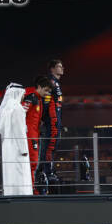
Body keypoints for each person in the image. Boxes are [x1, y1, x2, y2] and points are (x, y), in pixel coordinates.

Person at [0, 84, 31, 195]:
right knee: (19, 174)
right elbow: (19, 131)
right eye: (23, 94)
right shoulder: (17, 109)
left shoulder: (4, 110)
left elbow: (0, 130)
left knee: (10, 174)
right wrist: (24, 150)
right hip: (17, 149)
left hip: (7, 148)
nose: (23, 97)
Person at [22, 76, 52, 188]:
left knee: (34, 162)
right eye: (46, 90)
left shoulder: (38, 99)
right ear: (39, 87)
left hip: (34, 135)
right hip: (29, 135)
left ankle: (31, 187)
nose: (48, 93)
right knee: (33, 161)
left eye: (49, 91)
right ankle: (31, 188)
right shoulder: (31, 98)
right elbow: (20, 114)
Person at [38, 58, 63, 191]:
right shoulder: (50, 81)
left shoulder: (57, 82)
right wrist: (44, 118)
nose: (62, 68)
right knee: (50, 145)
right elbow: (46, 100)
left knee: (53, 145)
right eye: (59, 66)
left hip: (56, 119)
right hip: (51, 120)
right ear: (52, 69)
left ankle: (47, 171)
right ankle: (46, 172)